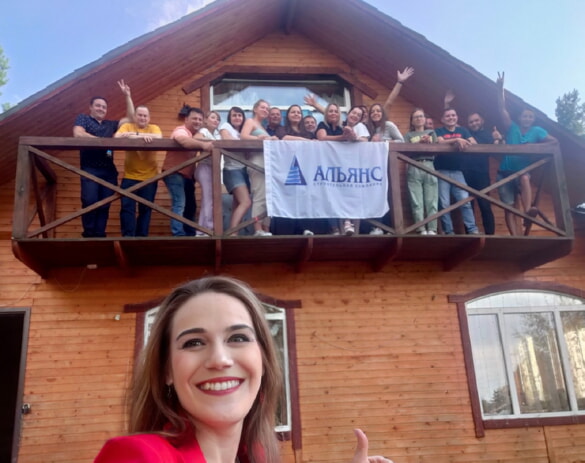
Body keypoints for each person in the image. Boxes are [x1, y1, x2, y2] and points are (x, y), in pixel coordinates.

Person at [93, 276, 394, 463]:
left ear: (262, 359)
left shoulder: (257, 456)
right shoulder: (138, 457)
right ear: (166, 371)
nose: (220, 359)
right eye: (194, 342)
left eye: (238, 338)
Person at [496, 72, 558, 235]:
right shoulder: (512, 127)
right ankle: (514, 236)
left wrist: (534, 146)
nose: (527, 119)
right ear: (519, 118)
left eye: (530, 117)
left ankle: (527, 212)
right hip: (504, 171)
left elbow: (554, 142)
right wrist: (500, 89)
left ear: (533, 119)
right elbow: (502, 110)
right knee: (509, 206)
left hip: (522, 170)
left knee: (525, 178)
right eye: (525, 116)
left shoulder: (537, 131)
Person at [73, 80, 134, 237]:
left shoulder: (110, 124)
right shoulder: (83, 118)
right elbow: (78, 134)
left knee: (105, 203)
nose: (101, 109)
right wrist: (102, 142)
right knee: (89, 200)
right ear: (91, 107)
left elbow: (131, 119)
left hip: (108, 170)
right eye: (98, 106)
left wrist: (127, 96)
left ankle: (100, 234)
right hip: (90, 168)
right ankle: (89, 234)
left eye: (104, 107)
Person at [271, 105, 328, 236]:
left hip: (305, 168)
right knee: (288, 198)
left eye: (298, 112)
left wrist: (310, 141)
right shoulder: (282, 128)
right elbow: (284, 138)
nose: (296, 114)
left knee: (304, 198)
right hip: (288, 168)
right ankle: (287, 231)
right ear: (288, 115)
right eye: (293, 112)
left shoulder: (307, 131)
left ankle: (305, 228)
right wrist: (306, 141)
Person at [163, 107, 213, 236]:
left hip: (187, 176)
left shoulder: (196, 135)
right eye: (194, 118)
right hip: (174, 173)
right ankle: (178, 234)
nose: (197, 121)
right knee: (180, 203)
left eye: (200, 119)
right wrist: (203, 145)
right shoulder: (181, 130)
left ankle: (190, 233)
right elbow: (183, 140)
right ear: (186, 119)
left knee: (190, 205)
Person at [114, 105, 162, 237]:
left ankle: (142, 238)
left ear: (149, 118)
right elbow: (117, 137)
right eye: (140, 115)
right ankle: (128, 237)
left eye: (145, 116)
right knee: (127, 208)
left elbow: (159, 137)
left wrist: (133, 135)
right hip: (130, 176)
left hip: (150, 177)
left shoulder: (154, 128)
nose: (142, 118)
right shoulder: (127, 126)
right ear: (135, 117)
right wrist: (141, 136)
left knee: (145, 209)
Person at [435, 108, 479, 235]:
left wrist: (464, 141)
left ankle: (472, 229)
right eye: (448, 116)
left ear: (457, 117)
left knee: (465, 201)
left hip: (458, 171)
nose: (451, 117)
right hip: (442, 171)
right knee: (444, 203)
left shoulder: (463, 130)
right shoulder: (439, 131)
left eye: (453, 115)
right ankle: (449, 231)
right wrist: (457, 140)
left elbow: (473, 142)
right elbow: (440, 142)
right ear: (443, 119)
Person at [240, 99, 278, 236]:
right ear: (255, 109)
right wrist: (259, 139)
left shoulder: (263, 127)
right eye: (263, 107)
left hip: (267, 163)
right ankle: (257, 228)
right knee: (260, 195)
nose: (265, 110)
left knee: (268, 197)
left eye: (267, 109)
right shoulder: (250, 121)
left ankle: (266, 228)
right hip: (256, 161)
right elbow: (243, 136)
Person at [465, 112, 503, 235]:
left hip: (482, 174)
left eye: (476, 120)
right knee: (467, 205)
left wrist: (498, 139)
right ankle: (469, 234)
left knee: (485, 205)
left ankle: (490, 234)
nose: (474, 123)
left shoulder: (487, 134)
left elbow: (496, 150)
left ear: (482, 121)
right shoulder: (465, 133)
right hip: (466, 174)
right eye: (471, 122)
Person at [404, 108, 438, 235]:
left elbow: (437, 149)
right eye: (416, 117)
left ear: (424, 119)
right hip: (414, 165)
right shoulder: (408, 135)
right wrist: (419, 142)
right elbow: (404, 150)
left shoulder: (431, 133)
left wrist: (429, 143)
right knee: (416, 201)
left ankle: (432, 228)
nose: (419, 118)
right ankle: (421, 229)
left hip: (429, 164)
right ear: (412, 121)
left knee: (431, 200)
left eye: (421, 116)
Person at [219, 107, 253, 235]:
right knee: (246, 202)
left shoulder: (242, 132)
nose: (237, 118)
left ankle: (234, 232)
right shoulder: (226, 126)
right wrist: (244, 143)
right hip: (232, 170)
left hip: (244, 170)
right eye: (234, 115)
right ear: (229, 118)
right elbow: (227, 140)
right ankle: (232, 233)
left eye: (240, 115)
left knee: (237, 203)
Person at [194, 111, 222, 235]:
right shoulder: (204, 131)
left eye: (218, 119)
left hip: (214, 169)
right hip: (204, 167)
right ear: (206, 120)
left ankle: (202, 230)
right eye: (213, 117)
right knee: (208, 199)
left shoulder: (217, 134)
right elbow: (195, 139)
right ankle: (208, 229)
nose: (216, 120)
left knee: (210, 199)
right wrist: (210, 141)